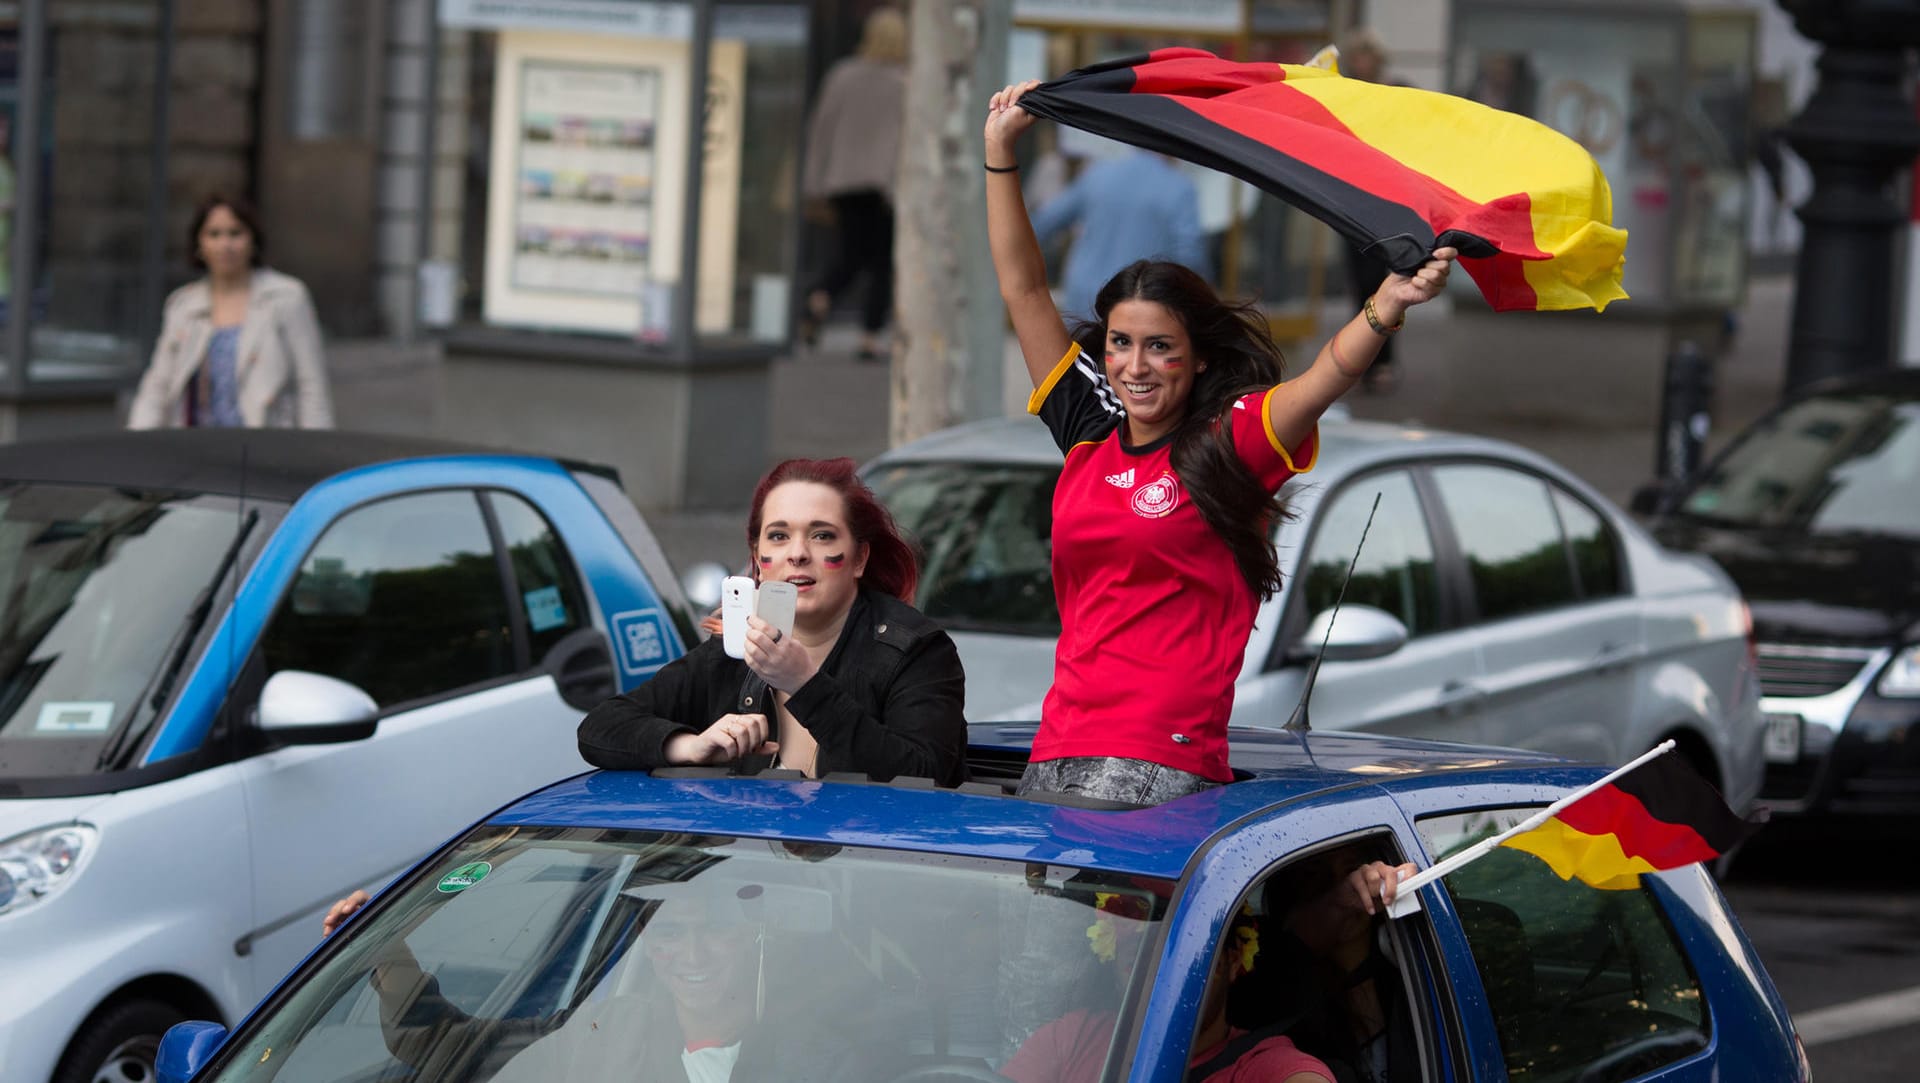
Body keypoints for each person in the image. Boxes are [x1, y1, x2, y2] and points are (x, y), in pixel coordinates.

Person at [983, 81, 1456, 803]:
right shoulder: (1088, 432)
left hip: (1160, 762)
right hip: (1057, 749)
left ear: (1198, 356)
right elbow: (1023, 289)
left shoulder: (1231, 441)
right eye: (1120, 344)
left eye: (1159, 347)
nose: (1135, 366)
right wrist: (999, 155)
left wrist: (1385, 307)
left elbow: (1327, 373)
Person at [576, 457, 968, 786]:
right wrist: (691, 747)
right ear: (757, 557)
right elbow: (600, 729)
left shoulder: (914, 649)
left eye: (822, 536)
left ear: (859, 558)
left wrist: (804, 684)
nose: (797, 554)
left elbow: (921, 777)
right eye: (779, 536)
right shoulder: (736, 647)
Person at [322, 873, 875, 1082]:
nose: (691, 953)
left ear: (756, 938)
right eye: (667, 935)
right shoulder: (604, 1035)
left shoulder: (825, 1058)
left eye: (713, 930)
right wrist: (387, 952)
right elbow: (442, 1045)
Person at [128, 194, 332, 429]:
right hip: (197, 449)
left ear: (253, 240)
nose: (225, 245)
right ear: (199, 244)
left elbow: (312, 386)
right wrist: (134, 444)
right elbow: (157, 384)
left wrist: (317, 454)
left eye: (235, 233)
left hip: (268, 448)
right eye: (214, 234)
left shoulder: (287, 297)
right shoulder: (183, 305)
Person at [1229, 852, 1421, 1083]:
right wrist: (1341, 900)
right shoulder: (1272, 1001)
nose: (1351, 887)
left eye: (1354, 868)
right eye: (1315, 876)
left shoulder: (1416, 973)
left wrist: (1403, 885)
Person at [799, 8, 908, 361]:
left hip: (842, 182)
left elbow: (821, 130)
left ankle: (820, 299)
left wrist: (814, 181)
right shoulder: (904, 84)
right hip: (883, 187)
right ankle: (869, 336)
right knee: (880, 263)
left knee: (850, 253)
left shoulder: (841, 75)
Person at [1031, 145, 1210, 322]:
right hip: (1140, 303)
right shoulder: (1179, 187)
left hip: (1082, 300)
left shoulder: (1098, 174)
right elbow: (1190, 256)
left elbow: (1044, 223)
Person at [1335, 29, 1410, 393]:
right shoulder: (1348, 95)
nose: (1361, 65)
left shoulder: (1397, 93)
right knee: (1361, 284)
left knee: (1387, 285)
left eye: (1367, 58)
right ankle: (1362, 358)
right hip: (1354, 202)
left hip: (1388, 202)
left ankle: (1382, 359)